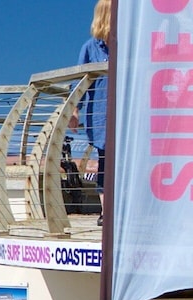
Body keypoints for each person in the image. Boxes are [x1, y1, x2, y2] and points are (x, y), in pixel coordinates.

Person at [75, 0, 112, 225]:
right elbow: (80, 82)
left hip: (123, 116)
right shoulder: (90, 47)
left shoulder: (128, 45)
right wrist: (74, 111)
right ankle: (106, 211)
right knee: (105, 162)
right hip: (100, 116)